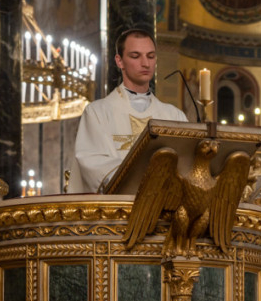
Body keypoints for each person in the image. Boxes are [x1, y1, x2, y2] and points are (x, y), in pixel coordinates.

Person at [73, 28, 188, 192]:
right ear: (119, 61)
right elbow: (91, 162)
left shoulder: (174, 116)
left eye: (150, 56)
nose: (145, 63)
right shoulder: (97, 113)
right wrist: (145, 177)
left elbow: (186, 166)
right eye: (135, 56)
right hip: (118, 205)